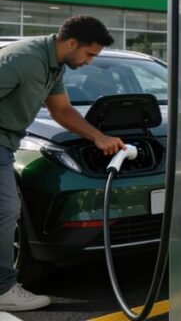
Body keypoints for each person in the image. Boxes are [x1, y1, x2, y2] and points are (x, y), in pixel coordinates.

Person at [0, 16, 124, 311]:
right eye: (89, 54)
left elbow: (62, 110)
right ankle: (3, 290)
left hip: (7, 142)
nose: (90, 62)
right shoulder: (23, 59)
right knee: (6, 210)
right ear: (71, 43)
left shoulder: (51, 65)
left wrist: (99, 137)